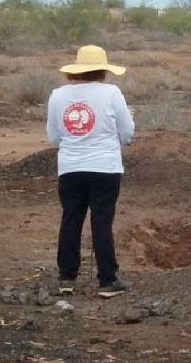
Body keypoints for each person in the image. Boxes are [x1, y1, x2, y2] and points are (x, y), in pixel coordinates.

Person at [46, 45, 135, 298]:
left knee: (71, 218)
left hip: (70, 168)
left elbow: (54, 137)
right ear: (103, 70)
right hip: (105, 168)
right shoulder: (112, 93)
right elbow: (127, 132)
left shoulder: (58, 95)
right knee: (102, 221)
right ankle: (107, 280)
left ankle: (66, 277)